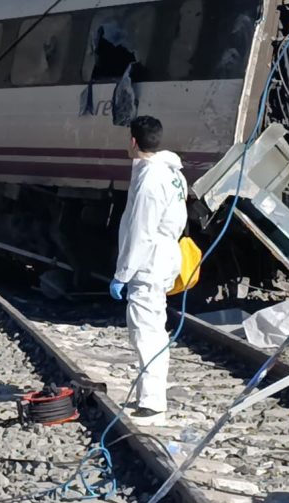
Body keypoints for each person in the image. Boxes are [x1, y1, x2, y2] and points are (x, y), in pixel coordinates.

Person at [110, 115, 188, 426]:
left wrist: (122, 274)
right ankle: (152, 396)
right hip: (165, 255)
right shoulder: (171, 172)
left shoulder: (150, 180)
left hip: (150, 261)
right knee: (153, 327)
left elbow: (140, 231)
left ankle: (152, 403)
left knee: (145, 331)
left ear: (133, 141)